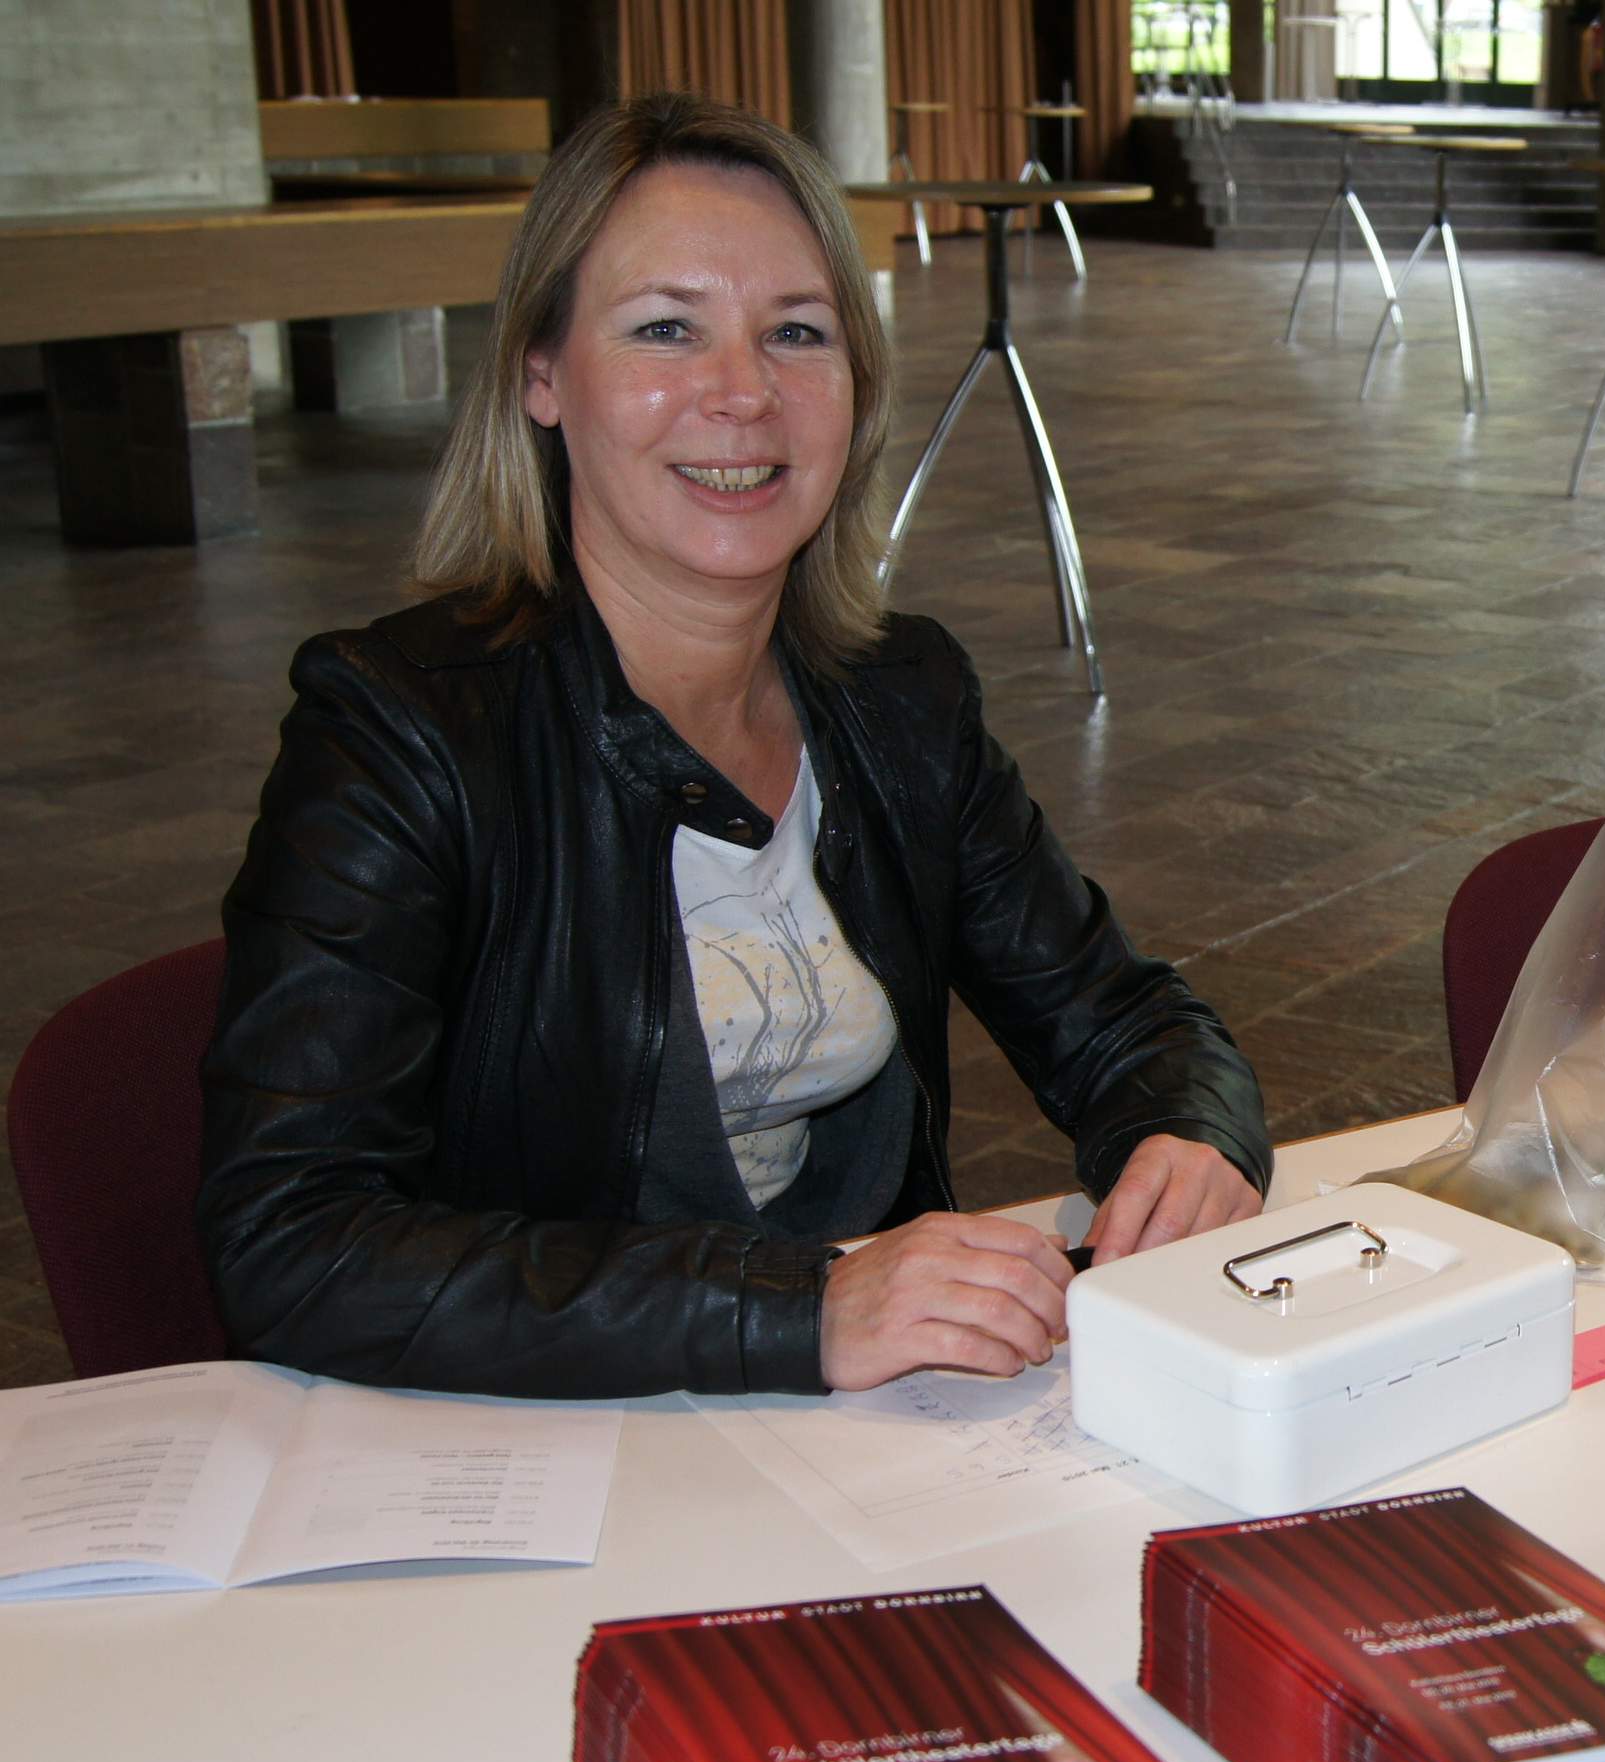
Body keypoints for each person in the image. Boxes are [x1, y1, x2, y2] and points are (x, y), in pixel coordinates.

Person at [197, 95, 1269, 1402]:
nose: (744, 393)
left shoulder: (900, 698)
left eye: (797, 333)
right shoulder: (398, 729)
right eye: (666, 328)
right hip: (550, 1436)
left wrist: (1188, 1130)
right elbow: (292, 1242)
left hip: (864, 1428)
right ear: (541, 374)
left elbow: (1123, 1018)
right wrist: (799, 1308)